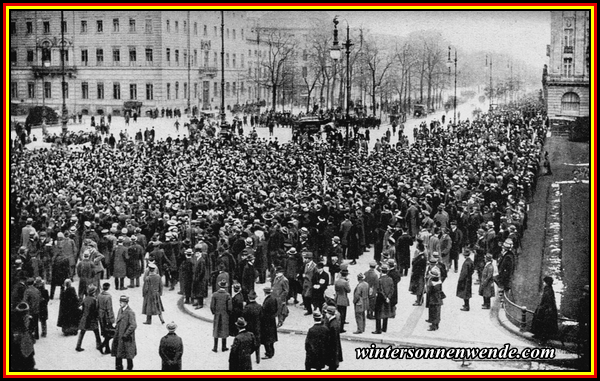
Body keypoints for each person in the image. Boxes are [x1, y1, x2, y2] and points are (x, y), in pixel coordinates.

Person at [112, 295, 137, 371]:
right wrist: (115, 324)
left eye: (122, 302)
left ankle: (130, 368)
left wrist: (126, 334)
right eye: (120, 302)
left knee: (128, 354)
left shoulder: (130, 312)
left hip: (126, 337)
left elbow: (133, 325)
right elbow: (118, 319)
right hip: (118, 335)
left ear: (126, 303)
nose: (120, 303)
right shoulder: (120, 310)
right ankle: (118, 368)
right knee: (118, 352)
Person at [530, 276, 558, 342]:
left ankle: (542, 336)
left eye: (545, 282)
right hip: (545, 307)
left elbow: (548, 300)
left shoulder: (548, 290)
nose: (544, 283)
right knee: (540, 320)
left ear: (547, 283)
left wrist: (542, 307)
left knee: (543, 322)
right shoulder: (548, 289)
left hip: (546, 309)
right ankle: (539, 334)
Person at [76, 284, 102, 352]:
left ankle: (78, 346)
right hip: (92, 319)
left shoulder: (86, 298)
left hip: (85, 318)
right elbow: (95, 310)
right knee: (96, 332)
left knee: (82, 332)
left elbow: (81, 307)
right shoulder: (94, 300)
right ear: (93, 292)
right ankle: (99, 345)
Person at [10, 302, 36, 371]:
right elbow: (32, 329)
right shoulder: (29, 319)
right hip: (24, 345)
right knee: (27, 362)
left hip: (16, 348)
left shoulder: (12, 318)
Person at [210, 278, 232, 352]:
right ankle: (224, 347)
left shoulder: (215, 295)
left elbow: (212, 306)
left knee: (216, 329)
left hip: (217, 314)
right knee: (224, 330)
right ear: (225, 287)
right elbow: (229, 307)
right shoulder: (227, 295)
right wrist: (228, 313)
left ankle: (215, 347)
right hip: (224, 314)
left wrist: (214, 312)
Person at [373, 264, 394, 334]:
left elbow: (380, 290)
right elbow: (392, 289)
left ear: (381, 271)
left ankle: (378, 329)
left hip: (380, 298)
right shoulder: (390, 279)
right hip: (388, 298)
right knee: (386, 312)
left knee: (378, 314)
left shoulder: (380, 280)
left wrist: (385, 297)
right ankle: (384, 328)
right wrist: (388, 297)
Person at [242, 290, 262, 365]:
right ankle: (257, 358)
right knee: (257, 343)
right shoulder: (259, 307)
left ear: (249, 298)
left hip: (249, 328)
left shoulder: (247, 308)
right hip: (257, 328)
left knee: (248, 344)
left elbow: (243, 317)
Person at [260, 286, 278, 360]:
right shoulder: (273, 299)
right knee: (271, 337)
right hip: (272, 320)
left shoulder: (267, 301)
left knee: (266, 338)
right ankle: (271, 351)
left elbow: (263, 311)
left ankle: (268, 353)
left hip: (266, 321)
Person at [98, 282, 116, 354]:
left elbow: (97, 305)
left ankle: (107, 348)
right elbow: (109, 308)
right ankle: (102, 346)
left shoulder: (99, 295)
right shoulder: (108, 297)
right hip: (106, 316)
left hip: (100, 315)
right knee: (111, 332)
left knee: (105, 332)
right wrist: (111, 318)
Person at [324, 305, 343, 371]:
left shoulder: (333, 324)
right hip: (334, 345)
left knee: (332, 358)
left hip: (332, 346)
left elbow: (332, 337)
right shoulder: (334, 321)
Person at [334, 269, 351, 333]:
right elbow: (349, 290)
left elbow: (335, 289)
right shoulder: (345, 282)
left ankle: (339, 326)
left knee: (339, 313)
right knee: (343, 314)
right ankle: (341, 328)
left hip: (337, 298)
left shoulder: (337, 281)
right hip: (343, 298)